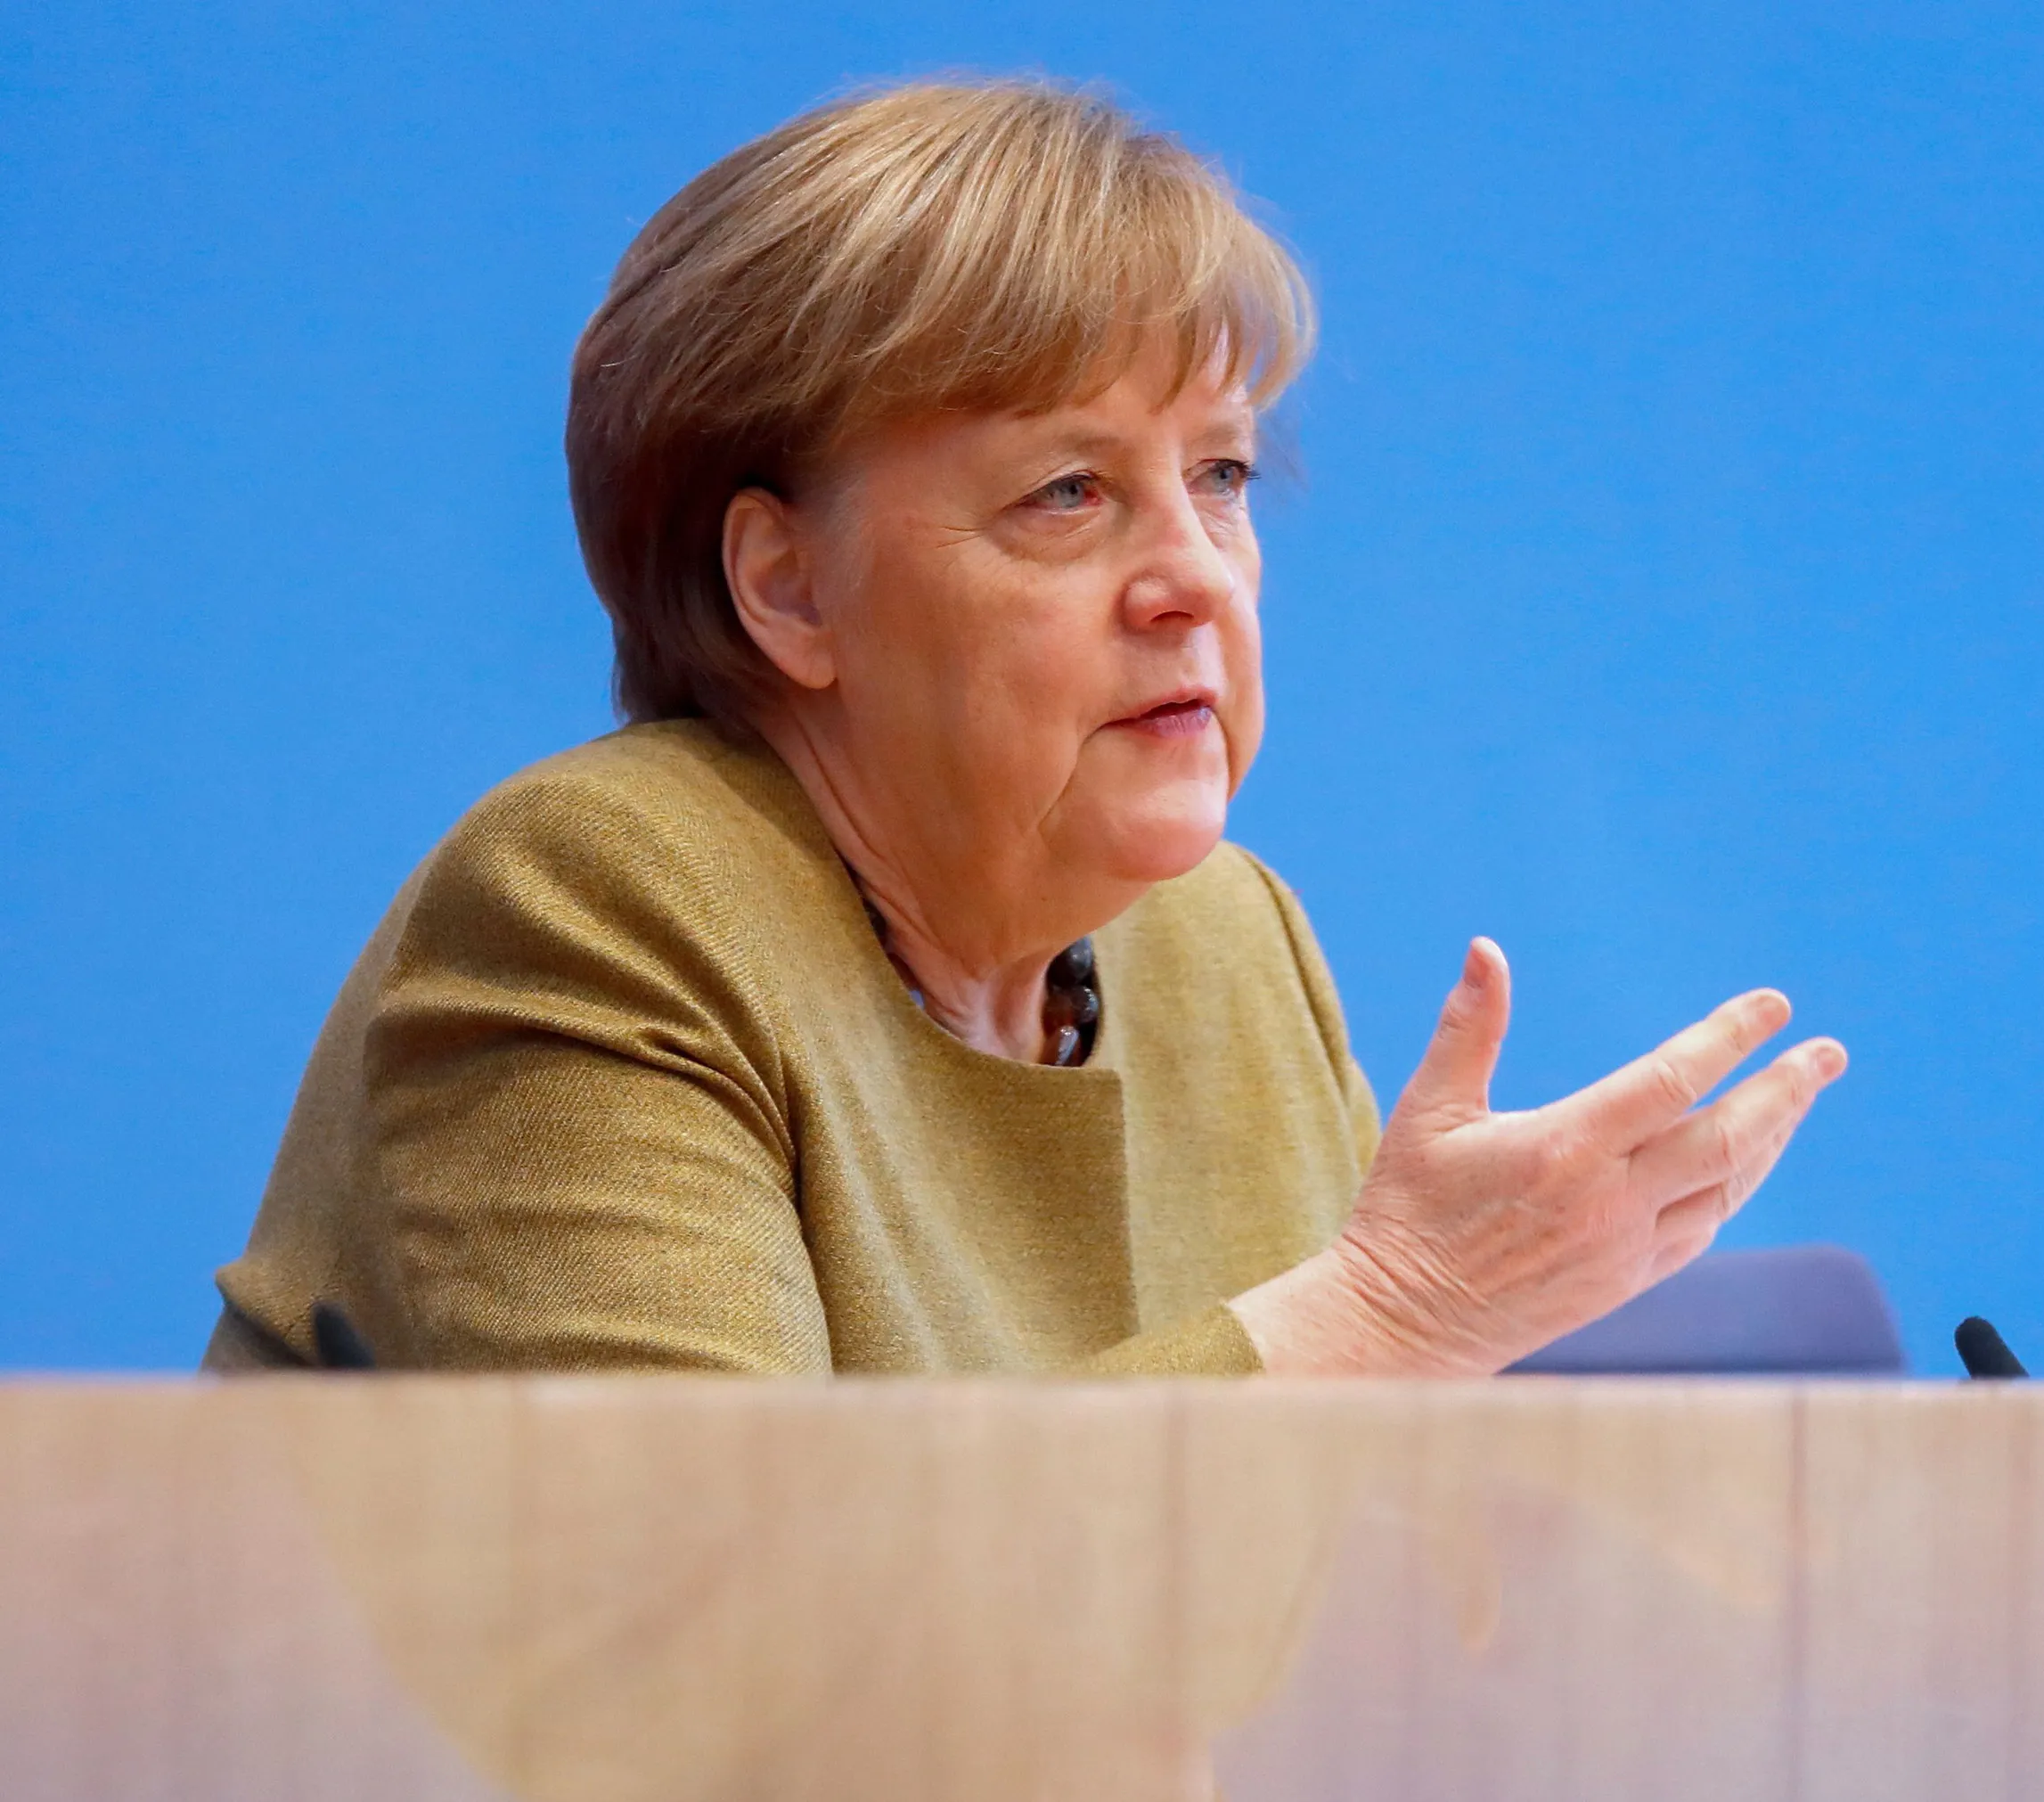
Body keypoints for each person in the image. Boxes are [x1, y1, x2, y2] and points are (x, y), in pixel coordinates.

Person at [202, 79, 1847, 1377]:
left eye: (1219, 475)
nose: (1196, 577)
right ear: (789, 588)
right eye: (1070, 494)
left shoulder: (1224, 944)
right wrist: (1393, 1313)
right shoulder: (602, 906)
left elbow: (1338, 1593)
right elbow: (725, 1625)